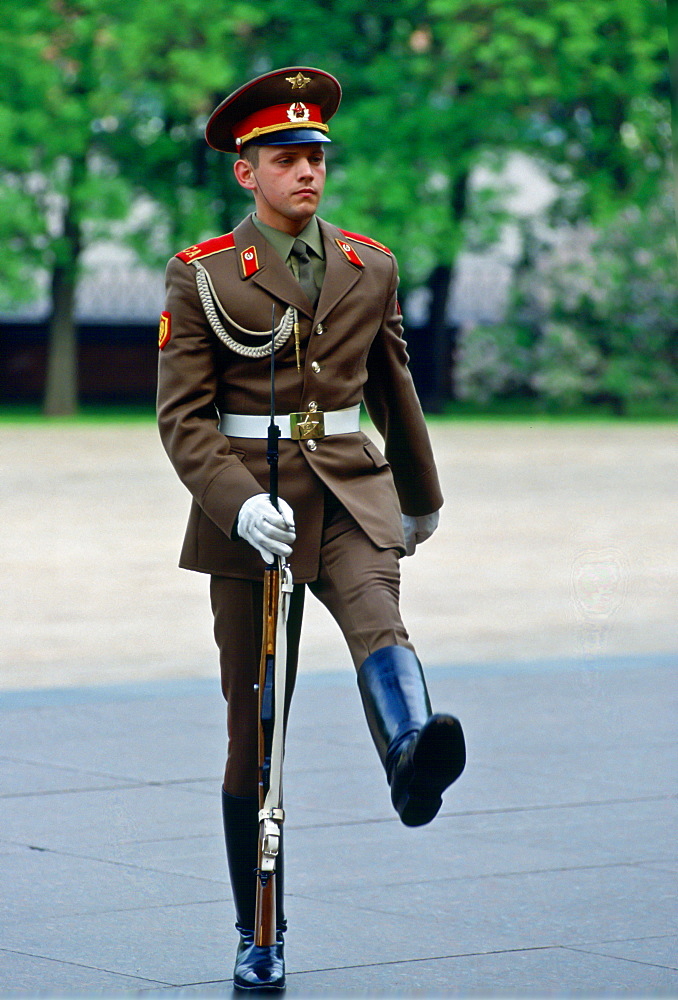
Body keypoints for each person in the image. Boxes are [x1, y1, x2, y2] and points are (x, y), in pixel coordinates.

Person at [157, 66, 466, 992]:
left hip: (352, 492)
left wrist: (421, 497)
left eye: (316, 156)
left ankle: (412, 759)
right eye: (287, 157)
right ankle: (261, 929)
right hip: (254, 510)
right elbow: (183, 417)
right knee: (257, 732)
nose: (308, 171)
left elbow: (394, 387)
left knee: (382, 622)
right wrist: (234, 501)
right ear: (246, 171)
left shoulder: (369, 265)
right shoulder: (204, 273)